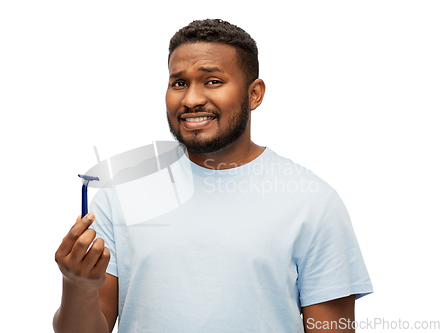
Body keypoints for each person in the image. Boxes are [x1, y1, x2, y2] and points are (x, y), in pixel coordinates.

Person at [53, 19, 373, 333]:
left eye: (212, 81)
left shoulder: (312, 202)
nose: (191, 99)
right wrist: (77, 286)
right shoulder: (119, 196)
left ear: (254, 94)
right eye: (179, 83)